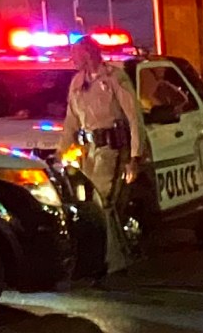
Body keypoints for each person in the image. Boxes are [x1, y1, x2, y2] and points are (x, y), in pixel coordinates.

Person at [56, 38, 146, 275]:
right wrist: (60, 154)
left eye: (75, 53)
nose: (72, 59)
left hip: (112, 150)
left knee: (103, 201)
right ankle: (103, 257)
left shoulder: (115, 78)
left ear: (88, 53)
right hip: (88, 152)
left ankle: (111, 260)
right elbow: (71, 123)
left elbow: (134, 118)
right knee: (91, 206)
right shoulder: (77, 82)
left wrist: (135, 157)